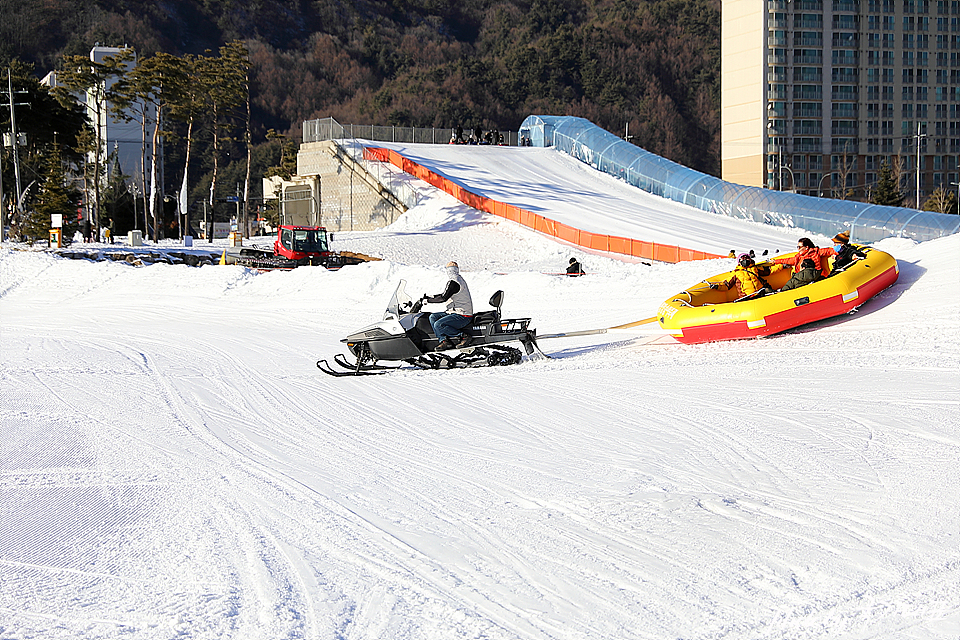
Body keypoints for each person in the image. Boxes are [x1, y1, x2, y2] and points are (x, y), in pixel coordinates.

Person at [422, 261, 474, 350]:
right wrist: (431, 297)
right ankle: (444, 341)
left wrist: (427, 301)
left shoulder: (454, 282)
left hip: (463, 314)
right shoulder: (457, 280)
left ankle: (464, 336)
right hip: (454, 312)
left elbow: (443, 298)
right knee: (433, 317)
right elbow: (445, 294)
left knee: (439, 324)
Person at [711, 253, 787, 300]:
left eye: (746, 259)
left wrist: (781, 266)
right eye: (743, 260)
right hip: (747, 296)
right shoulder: (736, 273)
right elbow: (727, 284)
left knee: (770, 291)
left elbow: (769, 270)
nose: (745, 261)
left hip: (760, 291)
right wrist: (716, 286)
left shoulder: (755, 268)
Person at [772, 237, 837, 278]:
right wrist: (775, 261)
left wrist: (836, 254)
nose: (798, 249)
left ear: (806, 247)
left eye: (800, 247)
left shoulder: (816, 252)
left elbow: (830, 251)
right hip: (801, 277)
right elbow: (788, 260)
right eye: (797, 247)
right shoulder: (798, 257)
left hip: (815, 276)